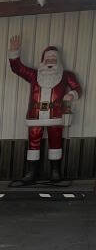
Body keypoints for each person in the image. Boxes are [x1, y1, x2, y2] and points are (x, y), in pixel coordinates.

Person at [8, 34, 82, 185]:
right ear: (43, 60)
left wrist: (72, 94)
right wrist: (14, 52)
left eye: (53, 58)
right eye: (48, 58)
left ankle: (55, 172)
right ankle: (31, 173)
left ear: (58, 60)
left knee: (56, 142)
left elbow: (78, 88)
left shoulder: (66, 75)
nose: (50, 60)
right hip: (35, 115)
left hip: (56, 115)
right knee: (33, 144)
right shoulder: (34, 75)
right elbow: (17, 68)